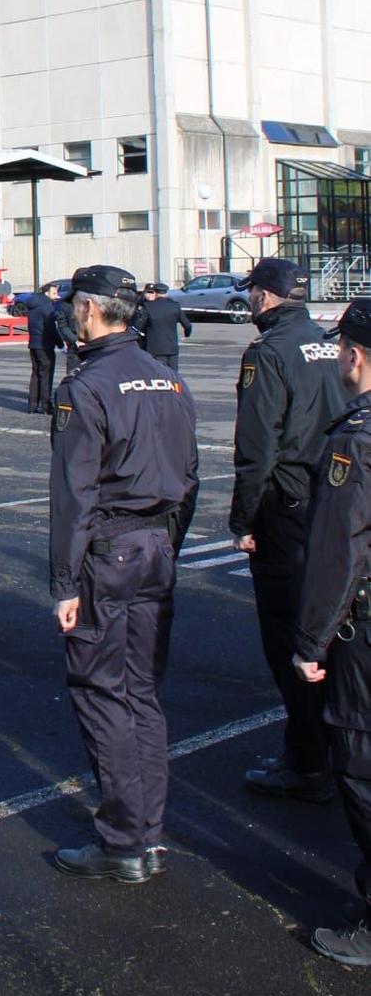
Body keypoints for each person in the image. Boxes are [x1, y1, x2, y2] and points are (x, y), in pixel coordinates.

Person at [50, 264, 198, 883]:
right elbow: (190, 476)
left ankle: (122, 842)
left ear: (89, 309)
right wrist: (169, 543)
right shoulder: (168, 379)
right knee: (142, 693)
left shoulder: (84, 386)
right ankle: (148, 833)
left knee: (101, 691)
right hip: (156, 546)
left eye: (74, 305)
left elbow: (74, 494)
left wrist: (65, 583)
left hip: (109, 552)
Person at [230, 257, 349, 801]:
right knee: (332, 631)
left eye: (253, 291)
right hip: (339, 501)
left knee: (289, 638)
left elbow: (257, 449)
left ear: (268, 297)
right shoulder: (334, 345)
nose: (250, 300)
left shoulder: (268, 353)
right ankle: (337, 749)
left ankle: (306, 761)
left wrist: (243, 519)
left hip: (290, 507)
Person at [292, 301, 371, 966]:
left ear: (354, 355)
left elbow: (336, 553)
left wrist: (310, 640)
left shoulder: (356, 438)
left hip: (366, 633)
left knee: (360, 763)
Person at [136, 281, 192, 371]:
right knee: (173, 374)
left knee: (159, 373)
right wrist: (187, 333)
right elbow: (187, 325)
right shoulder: (175, 306)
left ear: (155, 292)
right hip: (172, 347)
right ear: (166, 292)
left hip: (154, 347)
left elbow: (138, 326)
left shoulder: (148, 306)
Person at [25, 281, 62, 415]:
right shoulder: (47, 307)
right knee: (46, 375)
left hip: (33, 344)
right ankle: (46, 405)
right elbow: (51, 328)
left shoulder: (33, 305)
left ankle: (32, 405)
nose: (56, 295)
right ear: (46, 293)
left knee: (35, 374)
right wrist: (61, 344)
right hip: (45, 345)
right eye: (54, 293)